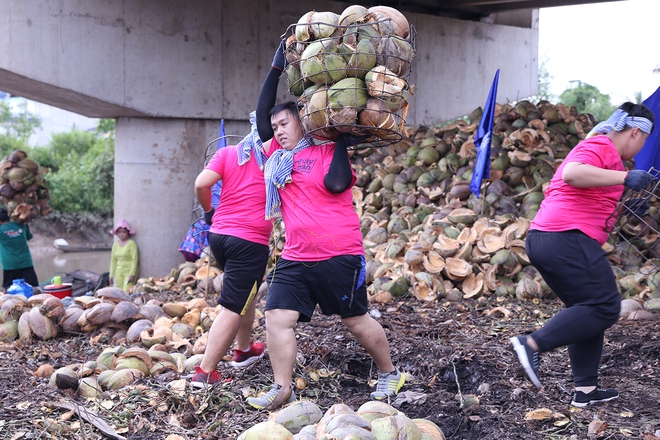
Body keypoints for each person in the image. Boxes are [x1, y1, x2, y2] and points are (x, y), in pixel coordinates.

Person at [245, 41, 404, 410]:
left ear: (304, 121)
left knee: (355, 320)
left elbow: (335, 185)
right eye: (275, 126)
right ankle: (283, 388)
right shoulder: (277, 158)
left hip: (338, 253)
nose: (279, 130)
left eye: (285, 123)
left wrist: (341, 139)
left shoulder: (326, 151)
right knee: (276, 317)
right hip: (297, 256)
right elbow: (261, 110)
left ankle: (389, 372)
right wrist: (275, 67)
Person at [510, 102, 655, 407]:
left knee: (588, 309)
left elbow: (591, 193)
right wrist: (624, 180)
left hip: (547, 238)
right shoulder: (600, 145)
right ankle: (531, 344)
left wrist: (629, 193)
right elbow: (573, 174)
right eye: (644, 139)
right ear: (634, 132)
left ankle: (585, 390)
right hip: (565, 236)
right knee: (605, 306)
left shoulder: (612, 159)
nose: (643, 147)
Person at [190, 113, 271, 387]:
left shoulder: (228, 152)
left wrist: (209, 211)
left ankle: (244, 350)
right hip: (249, 242)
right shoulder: (277, 158)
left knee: (245, 295)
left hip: (220, 237)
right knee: (232, 306)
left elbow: (202, 184)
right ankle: (205, 372)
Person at [0, 208, 38, 289]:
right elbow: (29, 237)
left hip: (9, 266)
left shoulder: (1, 230)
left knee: (8, 290)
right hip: (26, 264)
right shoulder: (22, 226)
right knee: (34, 289)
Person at [109, 219, 139, 291]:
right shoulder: (115, 245)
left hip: (129, 271)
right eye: (119, 232)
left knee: (126, 291)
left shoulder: (131, 243)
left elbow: (135, 259)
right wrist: (111, 275)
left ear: (128, 232)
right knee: (118, 292)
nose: (121, 234)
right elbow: (113, 260)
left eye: (124, 232)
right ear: (117, 233)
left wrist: (132, 274)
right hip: (119, 271)